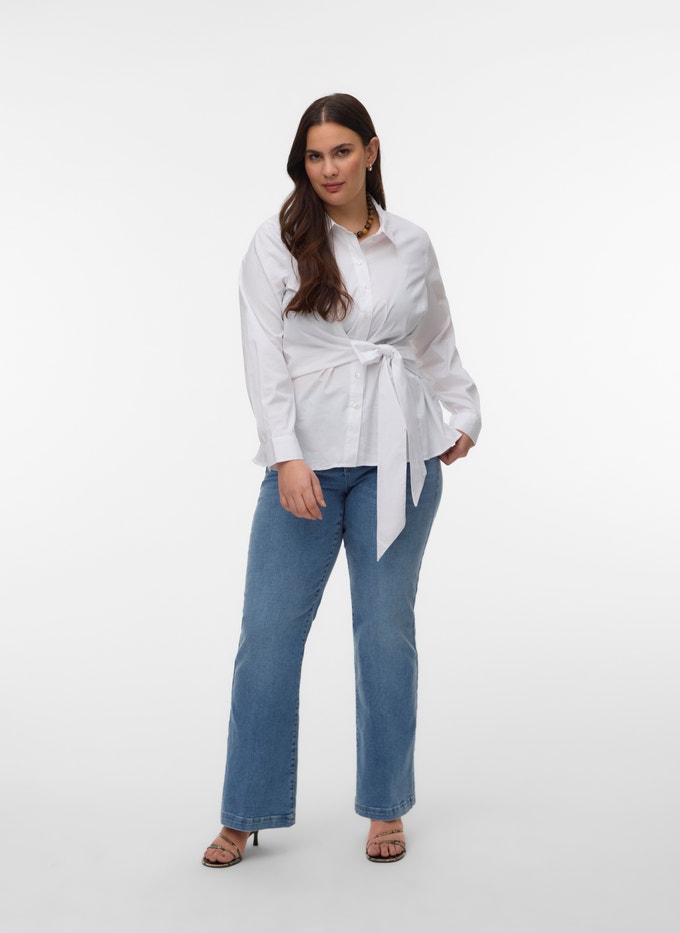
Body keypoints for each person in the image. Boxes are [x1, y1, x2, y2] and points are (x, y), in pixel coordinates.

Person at [202, 92, 481, 868]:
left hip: (400, 458)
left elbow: (435, 337)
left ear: (371, 151)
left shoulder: (411, 243)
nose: (328, 168)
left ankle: (387, 804)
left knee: (385, 632)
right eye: (314, 156)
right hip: (309, 466)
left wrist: (461, 413)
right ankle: (246, 809)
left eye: (342, 152)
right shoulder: (276, 242)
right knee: (267, 634)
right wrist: (286, 456)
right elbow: (264, 356)